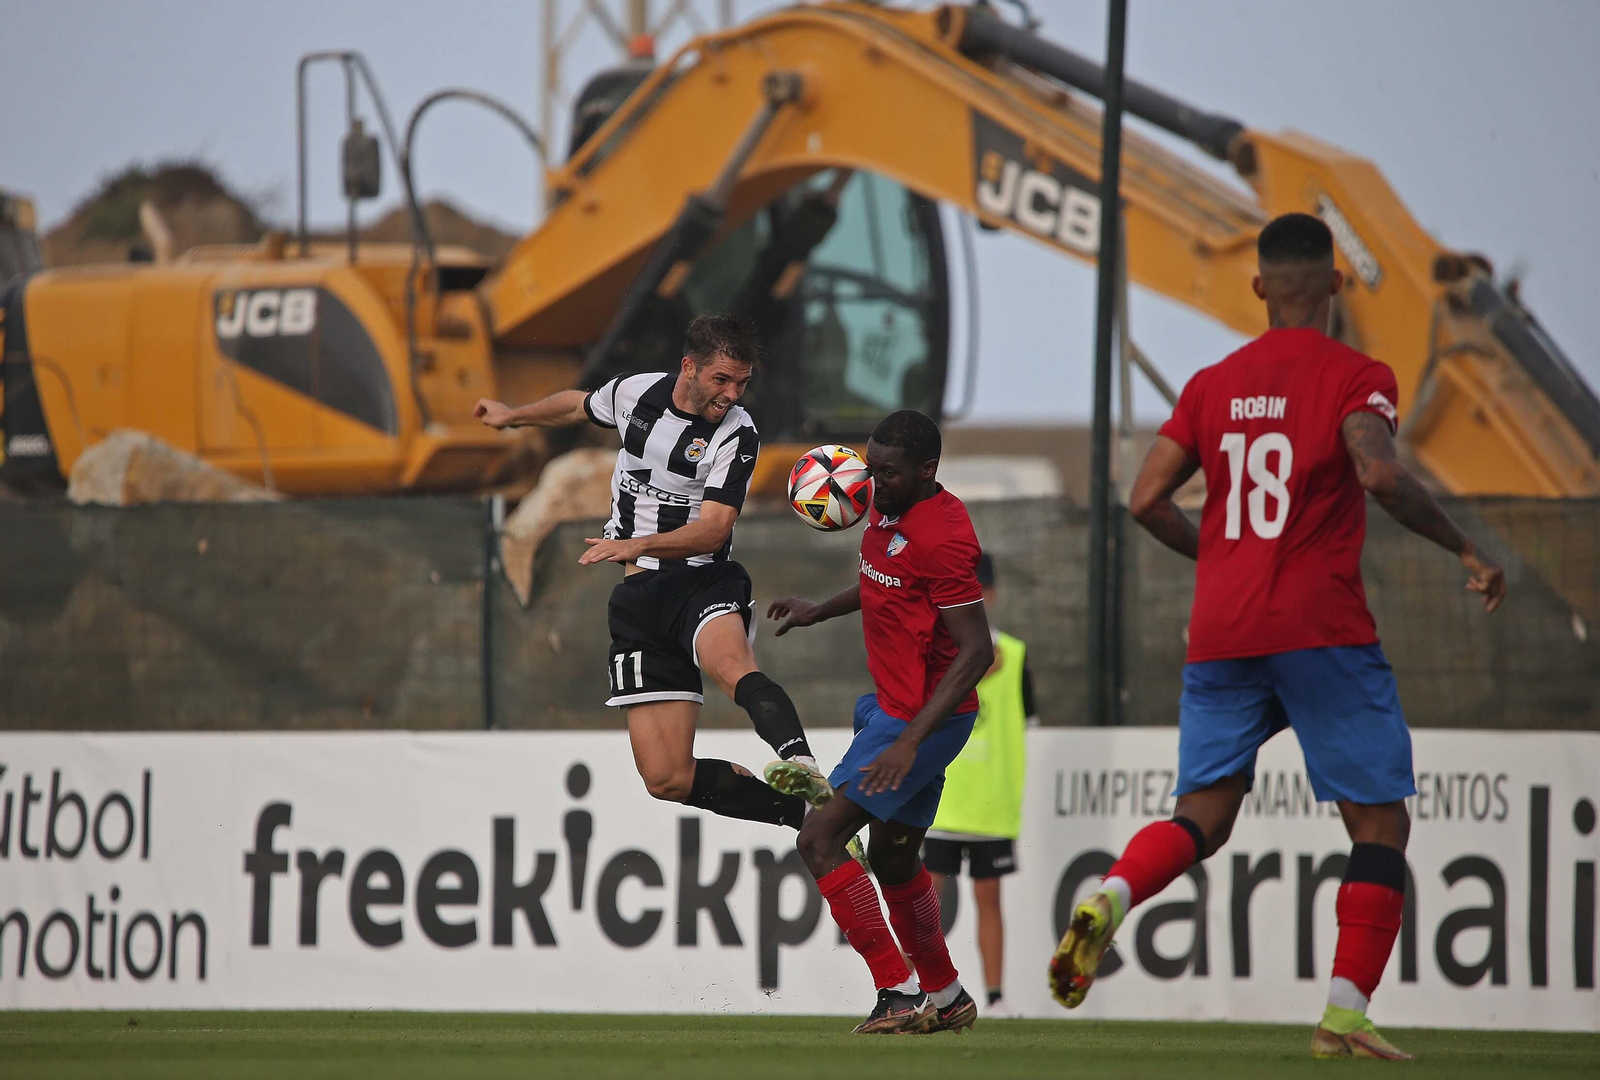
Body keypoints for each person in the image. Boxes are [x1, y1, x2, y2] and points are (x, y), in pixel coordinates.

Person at [1047, 213, 1506, 1060]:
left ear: (1258, 288)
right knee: (1379, 828)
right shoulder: (1357, 374)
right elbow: (1377, 471)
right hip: (1321, 629)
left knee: (1203, 817)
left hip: (1222, 630)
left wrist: (1219, 556)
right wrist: (1468, 548)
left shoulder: (1213, 382)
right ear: (1338, 284)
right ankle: (1342, 1011)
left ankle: (1111, 896)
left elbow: (1145, 498)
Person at [474, 313, 830, 833]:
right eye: (721, 380)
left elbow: (713, 529)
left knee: (730, 664)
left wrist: (638, 543)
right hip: (640, 597)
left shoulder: (738, 433)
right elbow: (577, 405)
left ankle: (803, 767)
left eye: (742, 383)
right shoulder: (637, 396)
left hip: (702, 581)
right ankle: (805, 818)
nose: (732, 394)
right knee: (666, 778)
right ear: (689, 367)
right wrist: (513, 416)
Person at [766, 409, 993, 1035]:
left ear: (929, 470)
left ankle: (898, 991)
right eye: (870, 467)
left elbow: (978, 652)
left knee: (818, 837)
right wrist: (819, 611)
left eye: (887, 473)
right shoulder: (890, 511)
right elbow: (887, 582)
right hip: (893, 711)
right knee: (893, 861)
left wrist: (911, 742)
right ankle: (946, 996)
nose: (873, 483)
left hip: (918, 722)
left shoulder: (944, 535)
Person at [924, 552, 1034, 1018]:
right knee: (924, 903)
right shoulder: (935, 651)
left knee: (989, 899)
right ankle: (918, 990)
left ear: (988, 594)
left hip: (990, 804)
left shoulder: (1016, 656)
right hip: (941, 800)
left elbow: (1026, 722)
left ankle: (995, 997)